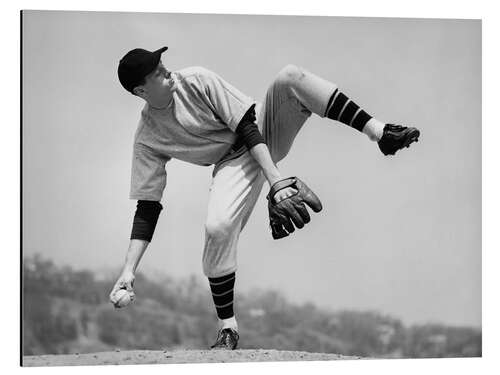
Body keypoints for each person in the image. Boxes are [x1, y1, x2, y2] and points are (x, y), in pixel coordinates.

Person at [109, 46, 420, 350]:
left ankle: (381, 133)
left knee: (290, 77)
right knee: (217, 228)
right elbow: (147, 208)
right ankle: (227, 329)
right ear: (141, 90)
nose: (166, 70)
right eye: (156, 72)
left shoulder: (196, 79)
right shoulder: (147, 138)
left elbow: (246, 127)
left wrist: (276, 181)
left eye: (162, 63)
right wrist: (128, 271)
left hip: (262, 129)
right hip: (232, 164)